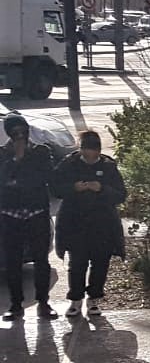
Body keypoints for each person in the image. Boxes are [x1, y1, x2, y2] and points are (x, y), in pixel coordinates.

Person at [51, 129, 126, 320]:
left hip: (103, 224)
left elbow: (120, 194)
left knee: (100, 263)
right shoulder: (69, 164)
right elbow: (55, 188)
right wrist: (73, 188)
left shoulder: (108, 166)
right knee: (77, 264)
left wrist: (101, 188)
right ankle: (75, 299)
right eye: (87, 152)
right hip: (75, 223)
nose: (90, 156)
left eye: (94, 152)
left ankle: (94, 298)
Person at [1, 113, 58, 321]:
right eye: (14, 132)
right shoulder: (3, 154)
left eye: (22, 131)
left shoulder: (41, 151)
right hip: (10, 215)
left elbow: (44, 178)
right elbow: (3, 182)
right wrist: (16, 159)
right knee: (13, 262)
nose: (19, 136)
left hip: (37, 213)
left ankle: (44, 303)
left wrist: (18, 175)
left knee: (41, 260)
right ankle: (16, 305)